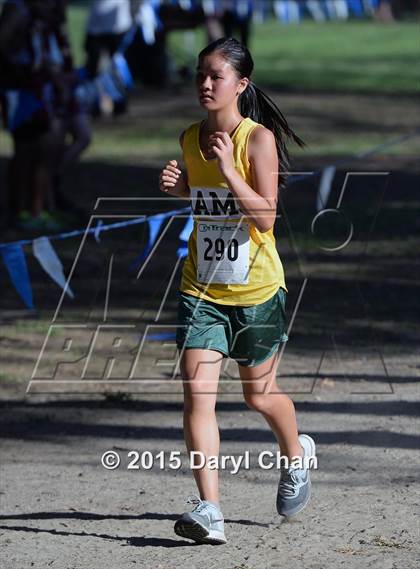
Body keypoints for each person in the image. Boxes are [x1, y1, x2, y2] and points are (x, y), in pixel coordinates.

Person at [159, 37, 316, 545]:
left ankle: (297, 455)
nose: (205, 84)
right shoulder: (188, 138)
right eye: (200, 75)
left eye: (216, 76)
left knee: (259, 395)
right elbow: (205, 203)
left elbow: (266, 218)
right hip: (201, 289)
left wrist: (229, 169)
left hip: (257, 293)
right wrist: (181, 187)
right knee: (196, 394)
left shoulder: (257, 141)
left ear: (240, 85)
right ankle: (210, 510)